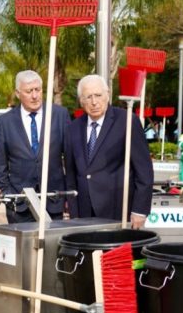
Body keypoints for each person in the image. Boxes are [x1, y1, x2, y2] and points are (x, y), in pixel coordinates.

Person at [63, 75, 153, 227]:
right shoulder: (73, 128)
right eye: (88, 97)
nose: (94, 102)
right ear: (81, 101)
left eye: (98, 95)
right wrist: (73, 211)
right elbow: (71, 174)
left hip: (118, 209)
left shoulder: (127, 121)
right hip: (84, 211)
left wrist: (140, 210)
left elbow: (144, 170)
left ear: (108, 94)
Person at [0, 70, 70, 223]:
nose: (35, 96)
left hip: (53, 201)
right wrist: (9, 194)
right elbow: (0, 165)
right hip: (20, 205)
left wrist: (66, 195)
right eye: (29, 91)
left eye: (38, 90)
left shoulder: (59, 115)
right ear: (17, 93)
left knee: (52, 246)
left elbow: (70, 158)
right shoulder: (5, 121)